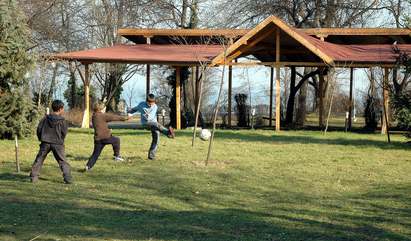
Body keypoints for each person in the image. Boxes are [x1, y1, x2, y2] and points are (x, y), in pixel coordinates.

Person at [29, 100, 73, 184]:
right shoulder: (63, 121)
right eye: (63, 109)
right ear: (60, 109)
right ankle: (68, 178)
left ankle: (33, 177)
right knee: (63, 160)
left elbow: (39, 129)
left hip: (45, 142)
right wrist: (61, 139)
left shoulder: (45, 119)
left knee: (39, 159)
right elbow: (64, 132)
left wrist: (41, 138)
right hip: (58, 143)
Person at [84, 100, 132, 172]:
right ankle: (116, 156)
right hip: (105, 137)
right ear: (100, 110)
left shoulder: (94, 117)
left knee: (95, 154)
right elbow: (113, 117)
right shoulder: (102, 116)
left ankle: (88, 166)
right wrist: (124, 119)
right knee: (116, 140)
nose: (104, 110)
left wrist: (107, 130)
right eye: (103, 109)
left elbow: (99, 127)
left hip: (98, 139)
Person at [128, 94, 175, 161]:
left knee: (156, 139)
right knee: (157, 125)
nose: (150, 106)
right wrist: (130, 111)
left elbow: (152, 115)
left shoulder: (155, 106)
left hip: (154, 123)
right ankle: (168, 133)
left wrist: (148, 116)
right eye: (149, 104)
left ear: (154, 102)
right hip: (146, 124)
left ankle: (151, 156)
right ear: (146, 101)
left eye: (152, 104)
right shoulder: (141, 104)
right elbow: (136, 108)